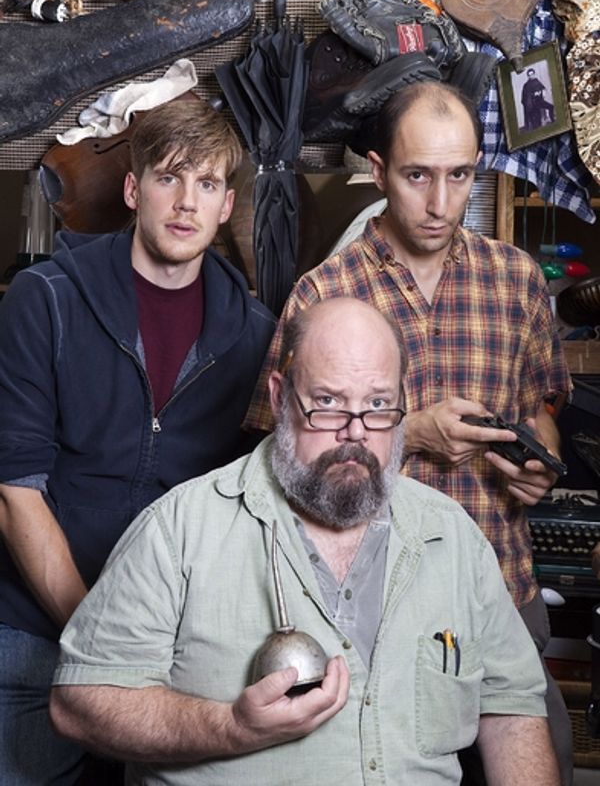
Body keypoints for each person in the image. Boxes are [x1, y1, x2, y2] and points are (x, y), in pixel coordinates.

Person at [50, 298, 560, 785]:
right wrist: (231, 728)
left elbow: (512, 711)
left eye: (378, 404)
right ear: (278, 396)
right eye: (328, 403)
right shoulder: (179, 530)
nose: (355, 434)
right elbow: (79, 701)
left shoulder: (454, 540)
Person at [244, 82, 573, 784]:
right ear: (376, 169)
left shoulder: (516, 282)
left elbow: (541, 408)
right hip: (370, 604)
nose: (440, 202)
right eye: (418, 176)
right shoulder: (322, 294)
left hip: (503, 587)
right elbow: (274, 455)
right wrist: (411, 434)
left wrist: (538, 461)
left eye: (459, 177)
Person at [0, 98, 275, 784]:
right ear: (132, 189)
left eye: (206, 184)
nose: (185, 203)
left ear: (225, 205)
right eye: (169, 178)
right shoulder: (45, 300)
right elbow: (15, 493)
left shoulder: (253, 333)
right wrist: (96, 638)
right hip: (36, 639)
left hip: (178, 657)